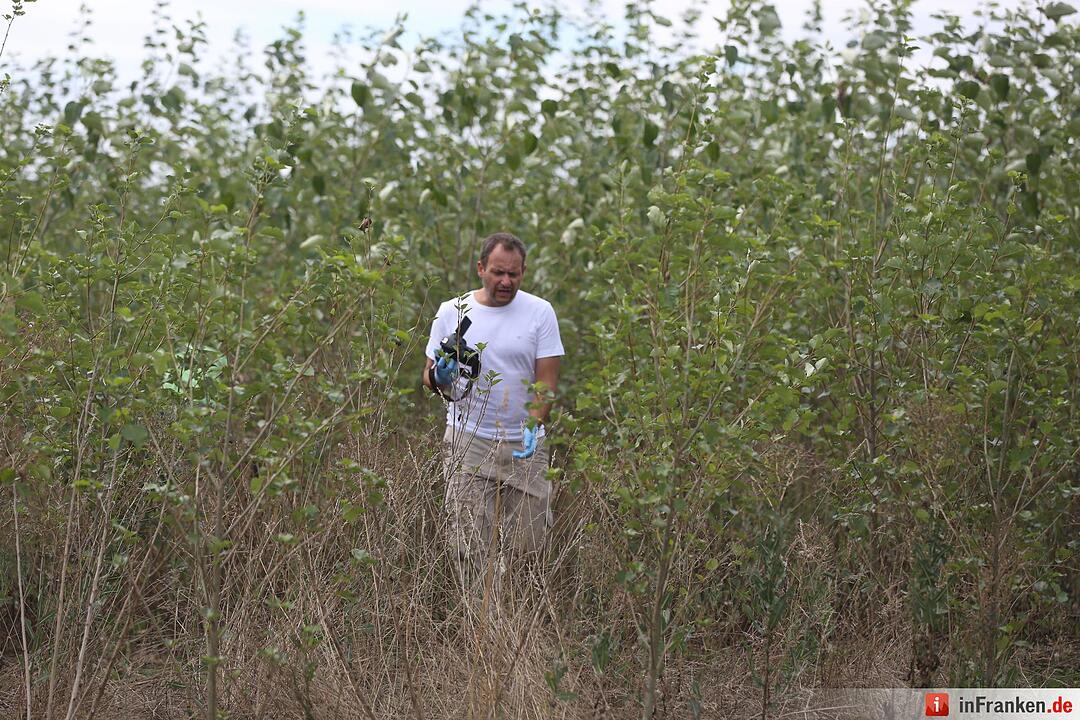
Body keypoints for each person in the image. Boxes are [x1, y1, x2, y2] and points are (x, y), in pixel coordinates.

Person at [422, 232, 564, 591]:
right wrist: (438, 374)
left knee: (530, 547)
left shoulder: (540, 312)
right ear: (481, 269)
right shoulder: (452, 312)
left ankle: (517, 628)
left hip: (524, 446)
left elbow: (545, 382)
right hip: (469, 441)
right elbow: (427, 375)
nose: (506, 282)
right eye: (498, 273)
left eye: (514, 275)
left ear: (523, 272)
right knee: (468, 546)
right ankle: (479, 631)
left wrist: (535, 422)